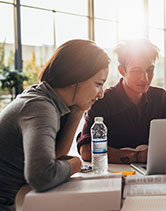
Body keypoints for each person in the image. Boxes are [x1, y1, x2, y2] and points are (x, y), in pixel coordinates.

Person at [0, 39, 110, 210]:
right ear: (77, 76)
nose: (101, 94)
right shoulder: (40, 108)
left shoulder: (41, 96)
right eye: (99, 84)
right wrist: (76, 164)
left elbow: (56, 156)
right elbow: (42, 176)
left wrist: (78, 110)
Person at [77, 39, 166, 164]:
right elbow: (86, 151)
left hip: (153, 170)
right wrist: (137, 156)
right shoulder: (103, 100)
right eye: (136, 71)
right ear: (122, 71)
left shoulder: (161, 97)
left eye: (150, 70)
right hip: (115, 173)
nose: (145, 78)